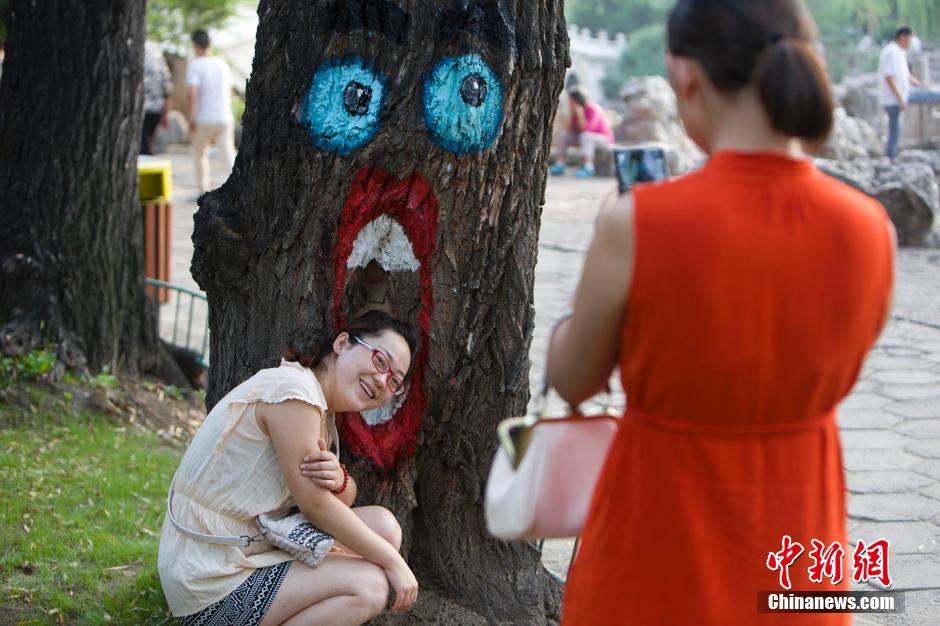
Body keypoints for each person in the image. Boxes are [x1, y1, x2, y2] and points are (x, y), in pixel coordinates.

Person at [548, 1, 895, 624]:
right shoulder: (869, 229)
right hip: (801, 544)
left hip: (653, 550)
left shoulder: (638, 224)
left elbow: (574, 379)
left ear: (685, 75)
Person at [158, 310, 420, 625]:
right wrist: (393, 563)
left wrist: (339, 481)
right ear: (342, 343)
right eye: (380, 361)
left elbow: (334, 501)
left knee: (383, 526)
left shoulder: (319, 410)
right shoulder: (295, 393)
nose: (381, 381)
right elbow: (315, 507)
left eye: (394, 381)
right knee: (369, 587)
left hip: (253, 545)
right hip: (208, 578)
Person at [878, 26, 940, 161]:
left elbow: (905, 75)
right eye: (909, 38)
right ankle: (890, 158)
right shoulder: (892, 52)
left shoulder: (899, 52)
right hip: (894, 99)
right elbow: (889, 78)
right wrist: (900, 98)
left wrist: (920, 84)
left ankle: (890, 157)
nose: (910, 42)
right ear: (903, 37)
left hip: (902, 94)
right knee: (895, 131)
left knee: (931, 94)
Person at [186, 29, 235, 194]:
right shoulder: (222, 64)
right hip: (223, 116)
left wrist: (191, 118)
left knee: (200, 154)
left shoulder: (194, 66)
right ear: (210, 44)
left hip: (203, 118)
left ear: (195, 45)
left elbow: (193, 94)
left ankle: (203, 190)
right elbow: (229, 91)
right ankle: (240, 187)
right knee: (228, 154)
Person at [549, 85, 615, 178]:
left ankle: (588, 167)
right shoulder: (573, 110)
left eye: (571, 100)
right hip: (583, 137)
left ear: (577, 100)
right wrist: (572, 114)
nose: (569, 103)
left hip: (602, 139)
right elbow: (568, 129)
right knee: (565, 135)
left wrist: (580, 114)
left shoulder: (592, 109)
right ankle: (560, 164)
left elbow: (586, 129)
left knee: (586, 136)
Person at [141, 41, 172, 156]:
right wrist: (166, 113)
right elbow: (167, 86)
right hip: (156, 109)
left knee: (142, 147)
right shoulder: (156, 50)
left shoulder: (132, 45)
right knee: (147, 143)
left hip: (140, 108)